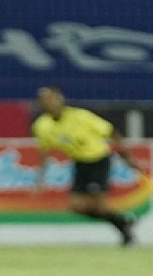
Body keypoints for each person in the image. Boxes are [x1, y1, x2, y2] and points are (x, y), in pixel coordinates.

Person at [30, 86, 141, 246]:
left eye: (52, 99)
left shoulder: (80, 117)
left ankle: (126, 234)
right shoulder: (42, 126)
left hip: (98, 160)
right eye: (45, 101)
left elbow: (111, 132)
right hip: (80, 163)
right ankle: (123, 221)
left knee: (99, 205)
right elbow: (44, 152)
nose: (49, 103)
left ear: (60, 99)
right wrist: (40, 178)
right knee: (76, 206)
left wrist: (127, 156)